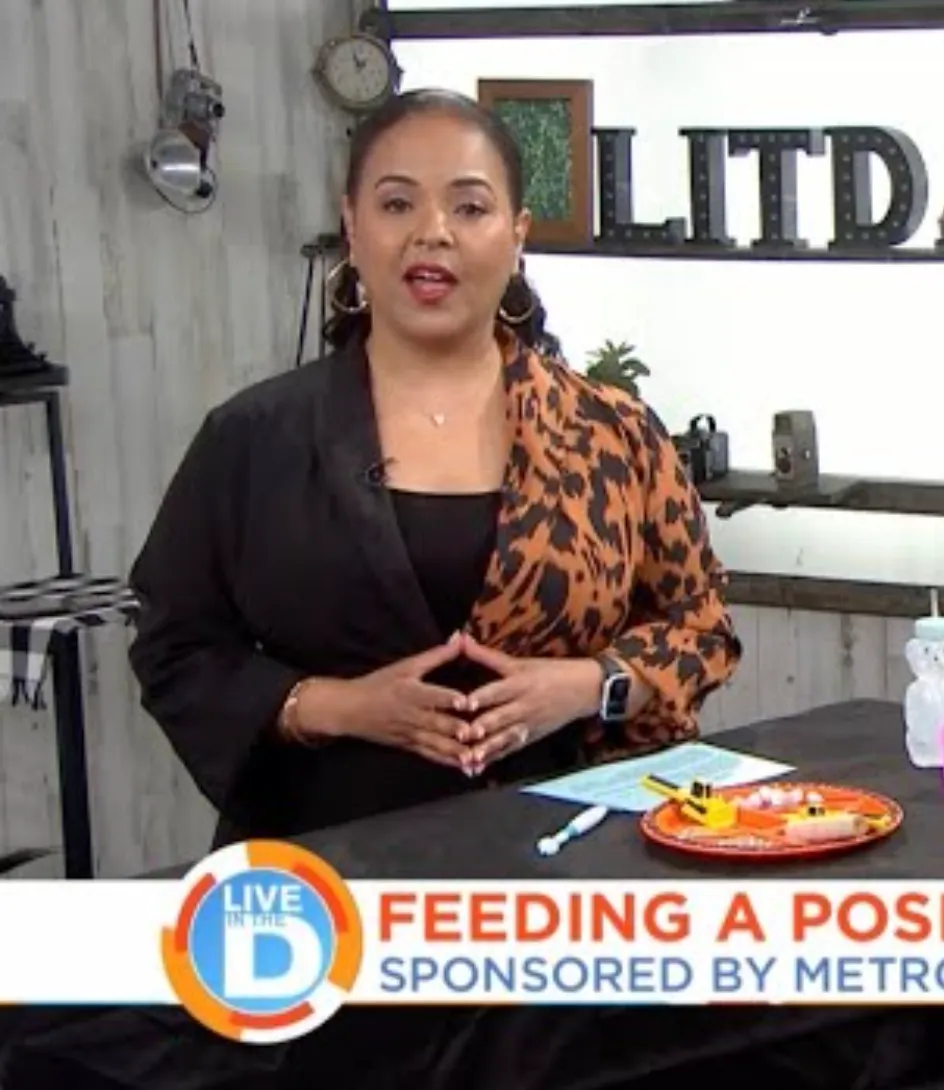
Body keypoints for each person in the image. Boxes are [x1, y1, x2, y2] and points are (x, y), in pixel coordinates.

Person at [128, 89, 743, 846]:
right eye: (396, 205)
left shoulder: (613, 434)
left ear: (517, 235)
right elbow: (174, 645)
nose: (432, 234)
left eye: (470, 208)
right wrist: (336, 706)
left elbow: (702, 625)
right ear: (352, 225)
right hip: (320, 879)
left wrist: (588, 685)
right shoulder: (254, 437)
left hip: (563, 858)